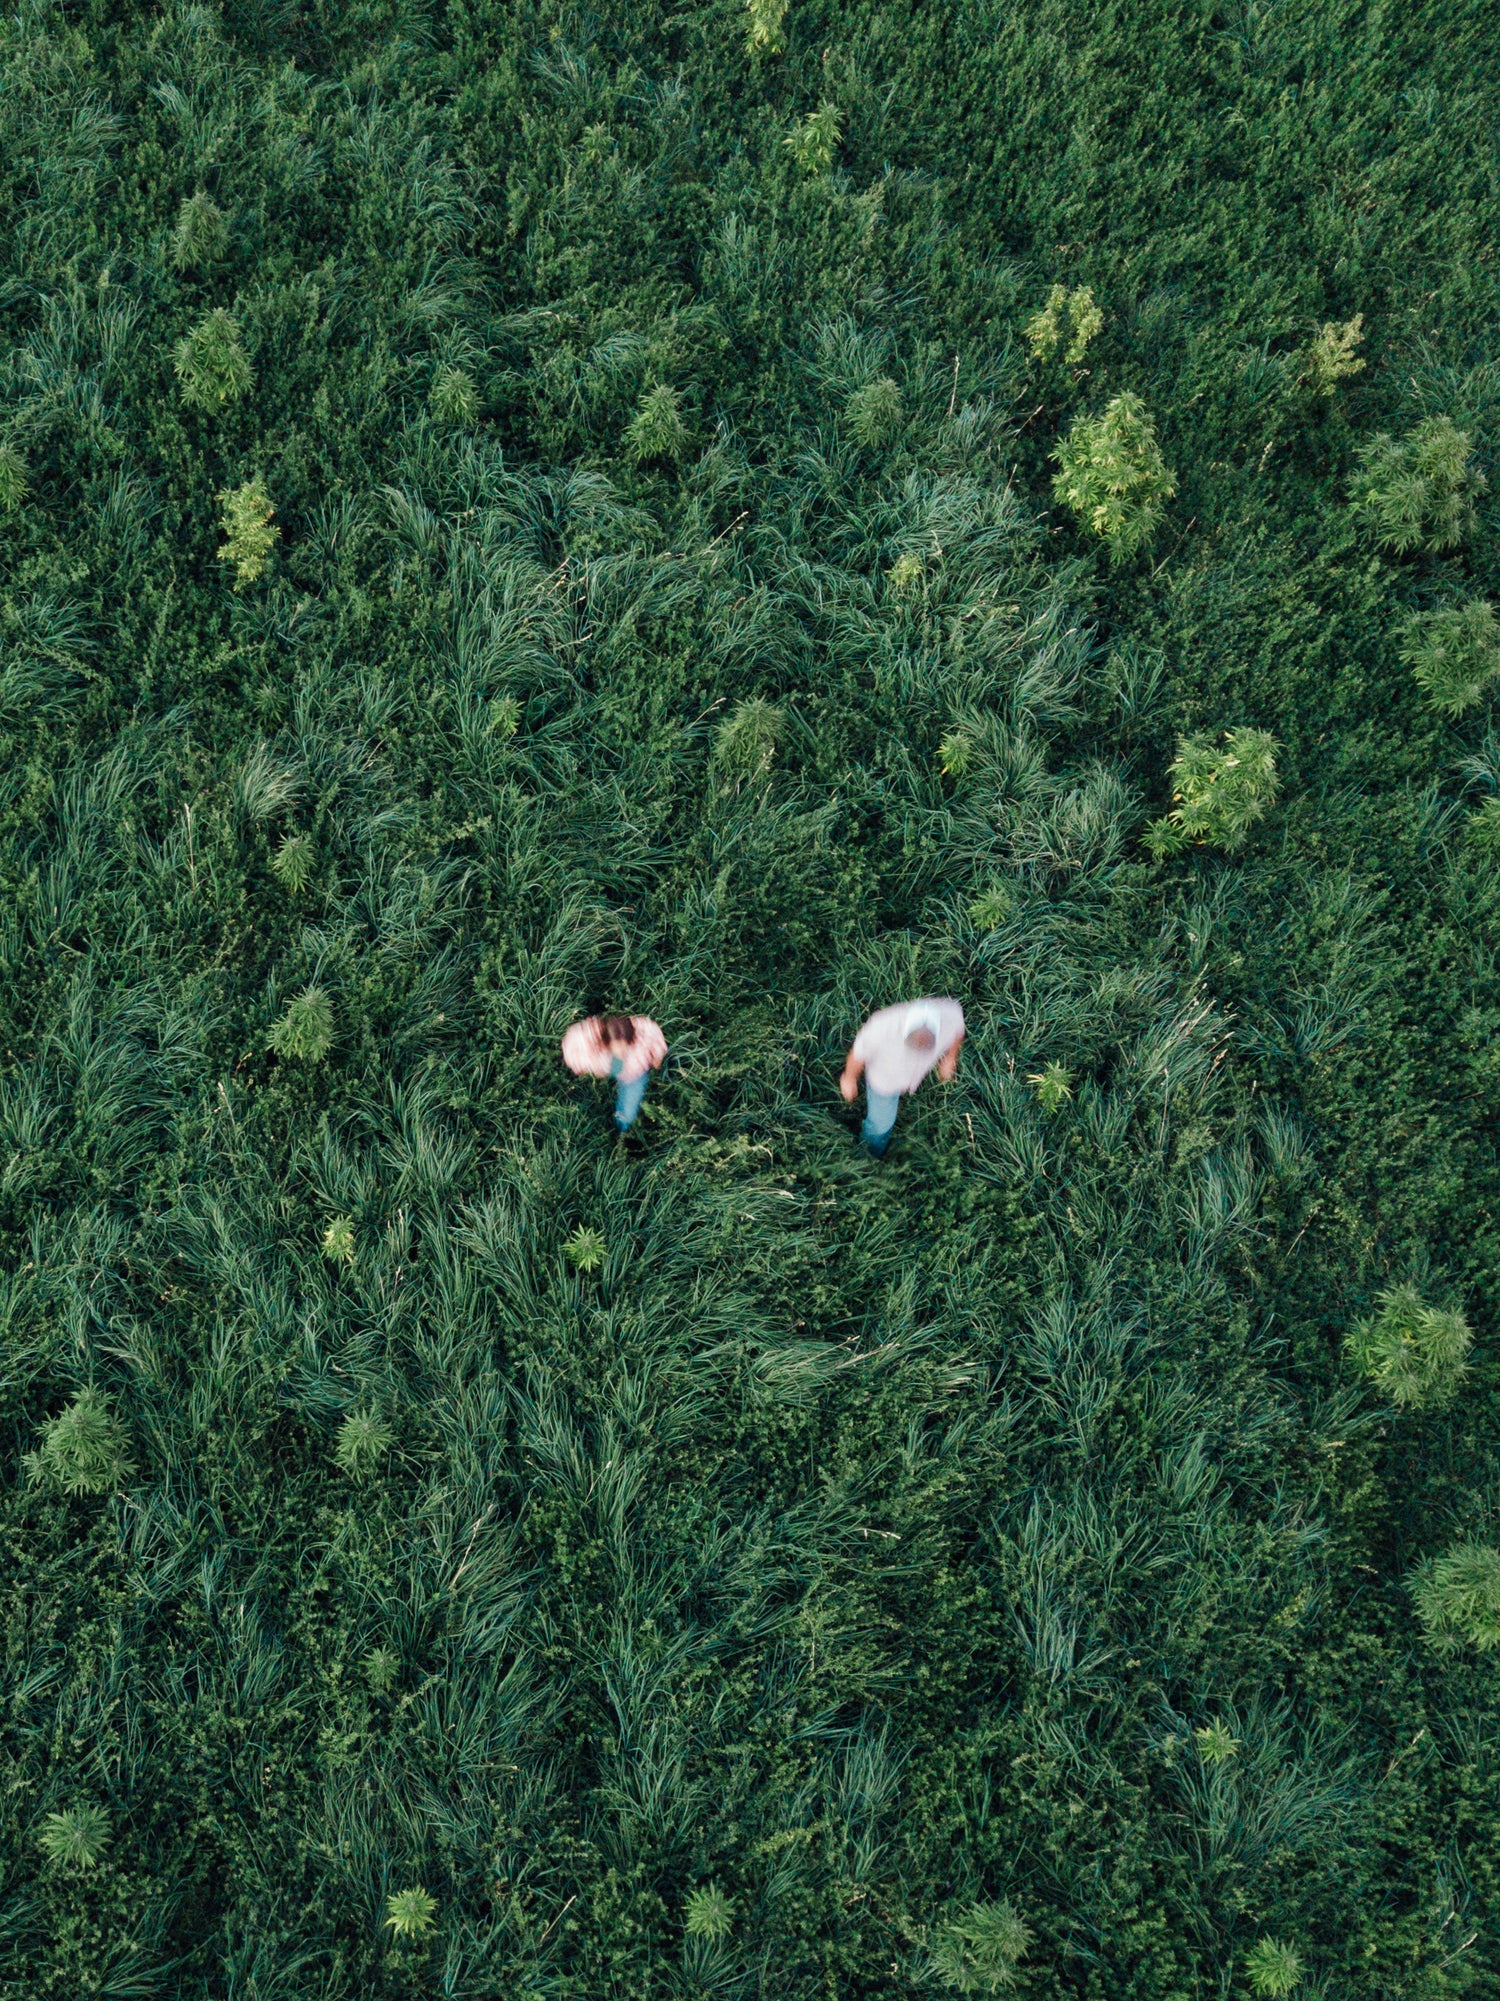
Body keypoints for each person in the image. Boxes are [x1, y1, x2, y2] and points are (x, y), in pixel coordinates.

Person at [839, 997, 965, 1156]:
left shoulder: (951, 1015)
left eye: (925, 1043)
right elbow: (858, 1053)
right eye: (915, 1041)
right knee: (881, 1125)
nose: (919, 1046)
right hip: (884, 1082)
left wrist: (950, 1058)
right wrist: (849, 1078)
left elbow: (958, 1031)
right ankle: (867, 1155)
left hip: (913, 1077)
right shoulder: (881, 1026)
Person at [561, 1013, 668, 1132]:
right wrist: (580, 1067)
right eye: (617, 1049)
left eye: (624, 1049)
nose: (621, 1053)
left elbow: (656, 1039)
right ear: (605, 1041)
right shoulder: (588, 1037)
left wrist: (657, 1059)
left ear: (632, 1039)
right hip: (608, 1064)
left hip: (633, 1075)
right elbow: (571, 1044)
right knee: (617, 1067)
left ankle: (622, 1128)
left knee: (628, 1111)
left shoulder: (644, 1032)